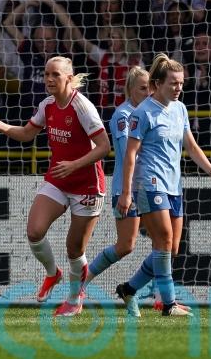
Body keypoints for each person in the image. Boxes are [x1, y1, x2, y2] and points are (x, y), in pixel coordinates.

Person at [0, 56, 110, 317]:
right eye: (47, 74)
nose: (49, 79)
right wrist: (2, 126)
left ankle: (74, 298)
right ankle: (53, 273)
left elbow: (105, 146)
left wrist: (74, 165)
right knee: (34, 231)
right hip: (58, 179)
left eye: (55, 75)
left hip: (87, 185)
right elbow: (28, 134)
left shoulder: (82, 107)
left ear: (69, 79)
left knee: (74, 249)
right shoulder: (47, 105)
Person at [116, 53, 211, 317]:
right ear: (158, 83)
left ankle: (129, 289)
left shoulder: (180, 109)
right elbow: (130, 154)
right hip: (149, 183)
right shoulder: (142, 113)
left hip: (173, 185)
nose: (178, 88)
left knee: (171, 248)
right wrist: (126, 192)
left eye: (181, 83)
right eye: (173, 83)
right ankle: (169, 304)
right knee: (164, 240)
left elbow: (190, 145)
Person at [82, 67, 150, 317]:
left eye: (151, 87)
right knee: (126, 246)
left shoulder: (150, 112)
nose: (148, 92)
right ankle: (82, 281)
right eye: (143, 88)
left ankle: (161, 298)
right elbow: (127, 153)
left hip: (151, 186)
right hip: (127, 188)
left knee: (167, 245)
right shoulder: (123, 115)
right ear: (130, 89)